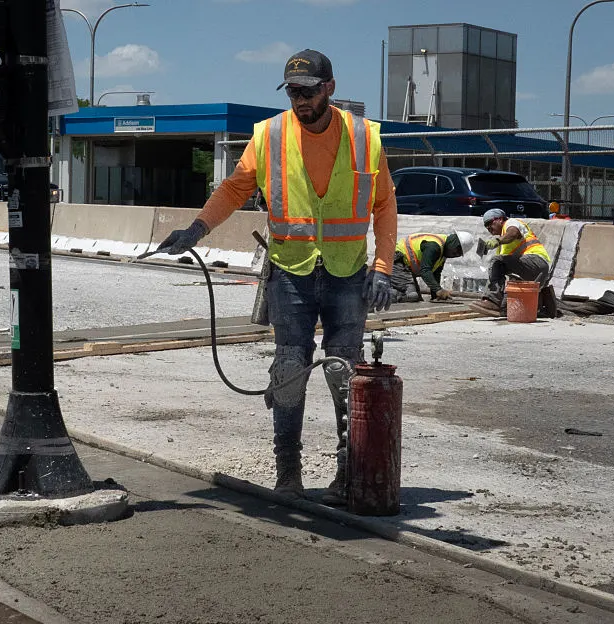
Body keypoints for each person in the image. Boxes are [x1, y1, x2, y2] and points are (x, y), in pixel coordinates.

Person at [155, 49, 397, 503]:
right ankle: (288, 472)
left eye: (308, 91)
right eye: (292, 93)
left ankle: (348, 472)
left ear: (329, 88)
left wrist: (382, 268)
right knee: (289, 369)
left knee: (344, 370)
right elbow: (234, 188)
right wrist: (196, 229)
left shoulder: (364, 137)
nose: (300, 100)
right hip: (291, 272)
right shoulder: (269, 134)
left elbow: (384, 205)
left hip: (347, 271)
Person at [470, 208, 551, 316]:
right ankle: (540, 306)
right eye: (486, 226)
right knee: (505, 309)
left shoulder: (510, 223)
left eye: (490, 223)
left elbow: (513, 233)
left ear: (500, 219)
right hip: (530, 271)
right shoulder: (503, 245)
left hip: (536, 261)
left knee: (496, 261)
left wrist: (497, 241)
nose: (488, 227)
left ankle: (492, 300)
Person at [391, 231, 476, 303]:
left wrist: (435, 295)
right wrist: (438, 290)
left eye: (459, 254)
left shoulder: (443, 252)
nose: (456, 255)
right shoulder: (434, 246)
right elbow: (425, 270)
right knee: (412, 296)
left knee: (417, 299)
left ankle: (393, 292)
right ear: (453, 243)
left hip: (405, 266)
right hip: (395, 261)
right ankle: (387, 293)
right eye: (457, 251)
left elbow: (436, 273)